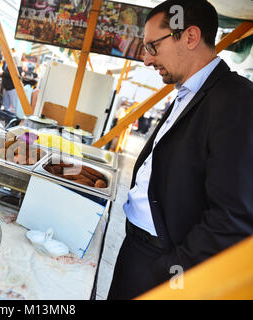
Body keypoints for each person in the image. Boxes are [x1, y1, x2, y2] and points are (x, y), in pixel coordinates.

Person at [108, 0, 253, 300]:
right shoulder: (190, 92)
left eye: (152, 47)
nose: (147, 60)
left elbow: (234, 216)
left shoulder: (237, 100)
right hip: (138, 251)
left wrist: (173, 269)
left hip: (165, 266)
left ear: (189, 37)